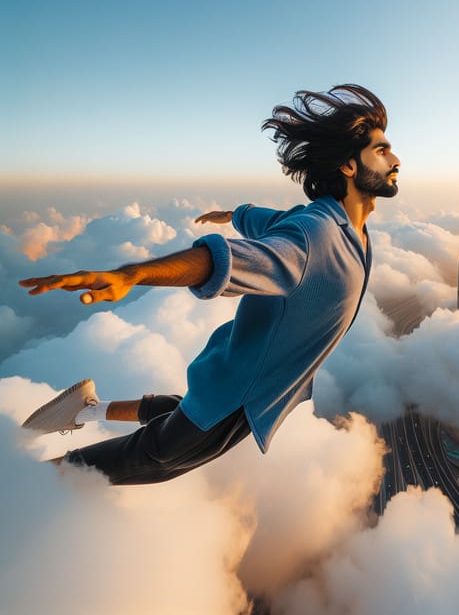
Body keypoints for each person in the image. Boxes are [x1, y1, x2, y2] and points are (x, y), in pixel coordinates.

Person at [19, 84, 400, 485]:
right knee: (150, 460)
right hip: (239, 392)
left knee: (182, 413)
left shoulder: (345, 229)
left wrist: (236, 213)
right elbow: (221, 261)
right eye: (382, 150)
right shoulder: (318, 237)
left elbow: (268, 221)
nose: (396, 159)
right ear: (348, 167)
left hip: (239, 386)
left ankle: (87, 409)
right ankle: (26, 479)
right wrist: (130, 274)